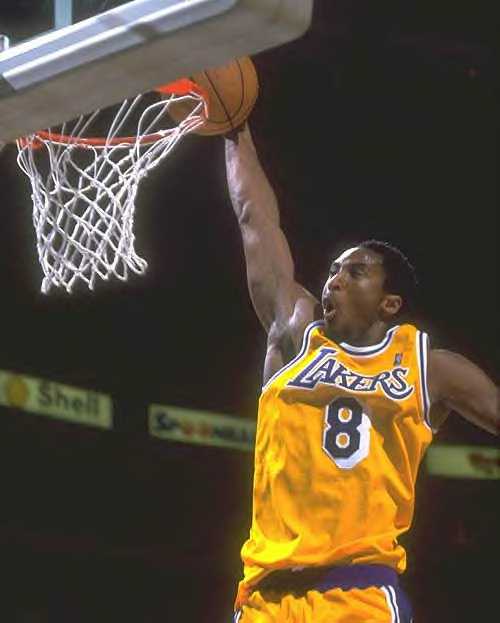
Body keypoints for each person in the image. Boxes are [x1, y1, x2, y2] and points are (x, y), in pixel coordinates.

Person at [224, 123, 499, 623]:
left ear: (389, 303)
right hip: (266, 597)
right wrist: (234, 132)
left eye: (355, 272)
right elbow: (254, 220)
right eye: (333, 270)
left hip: (359, 594)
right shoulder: (296, 335)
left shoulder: (427, 366)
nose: (334, 280)